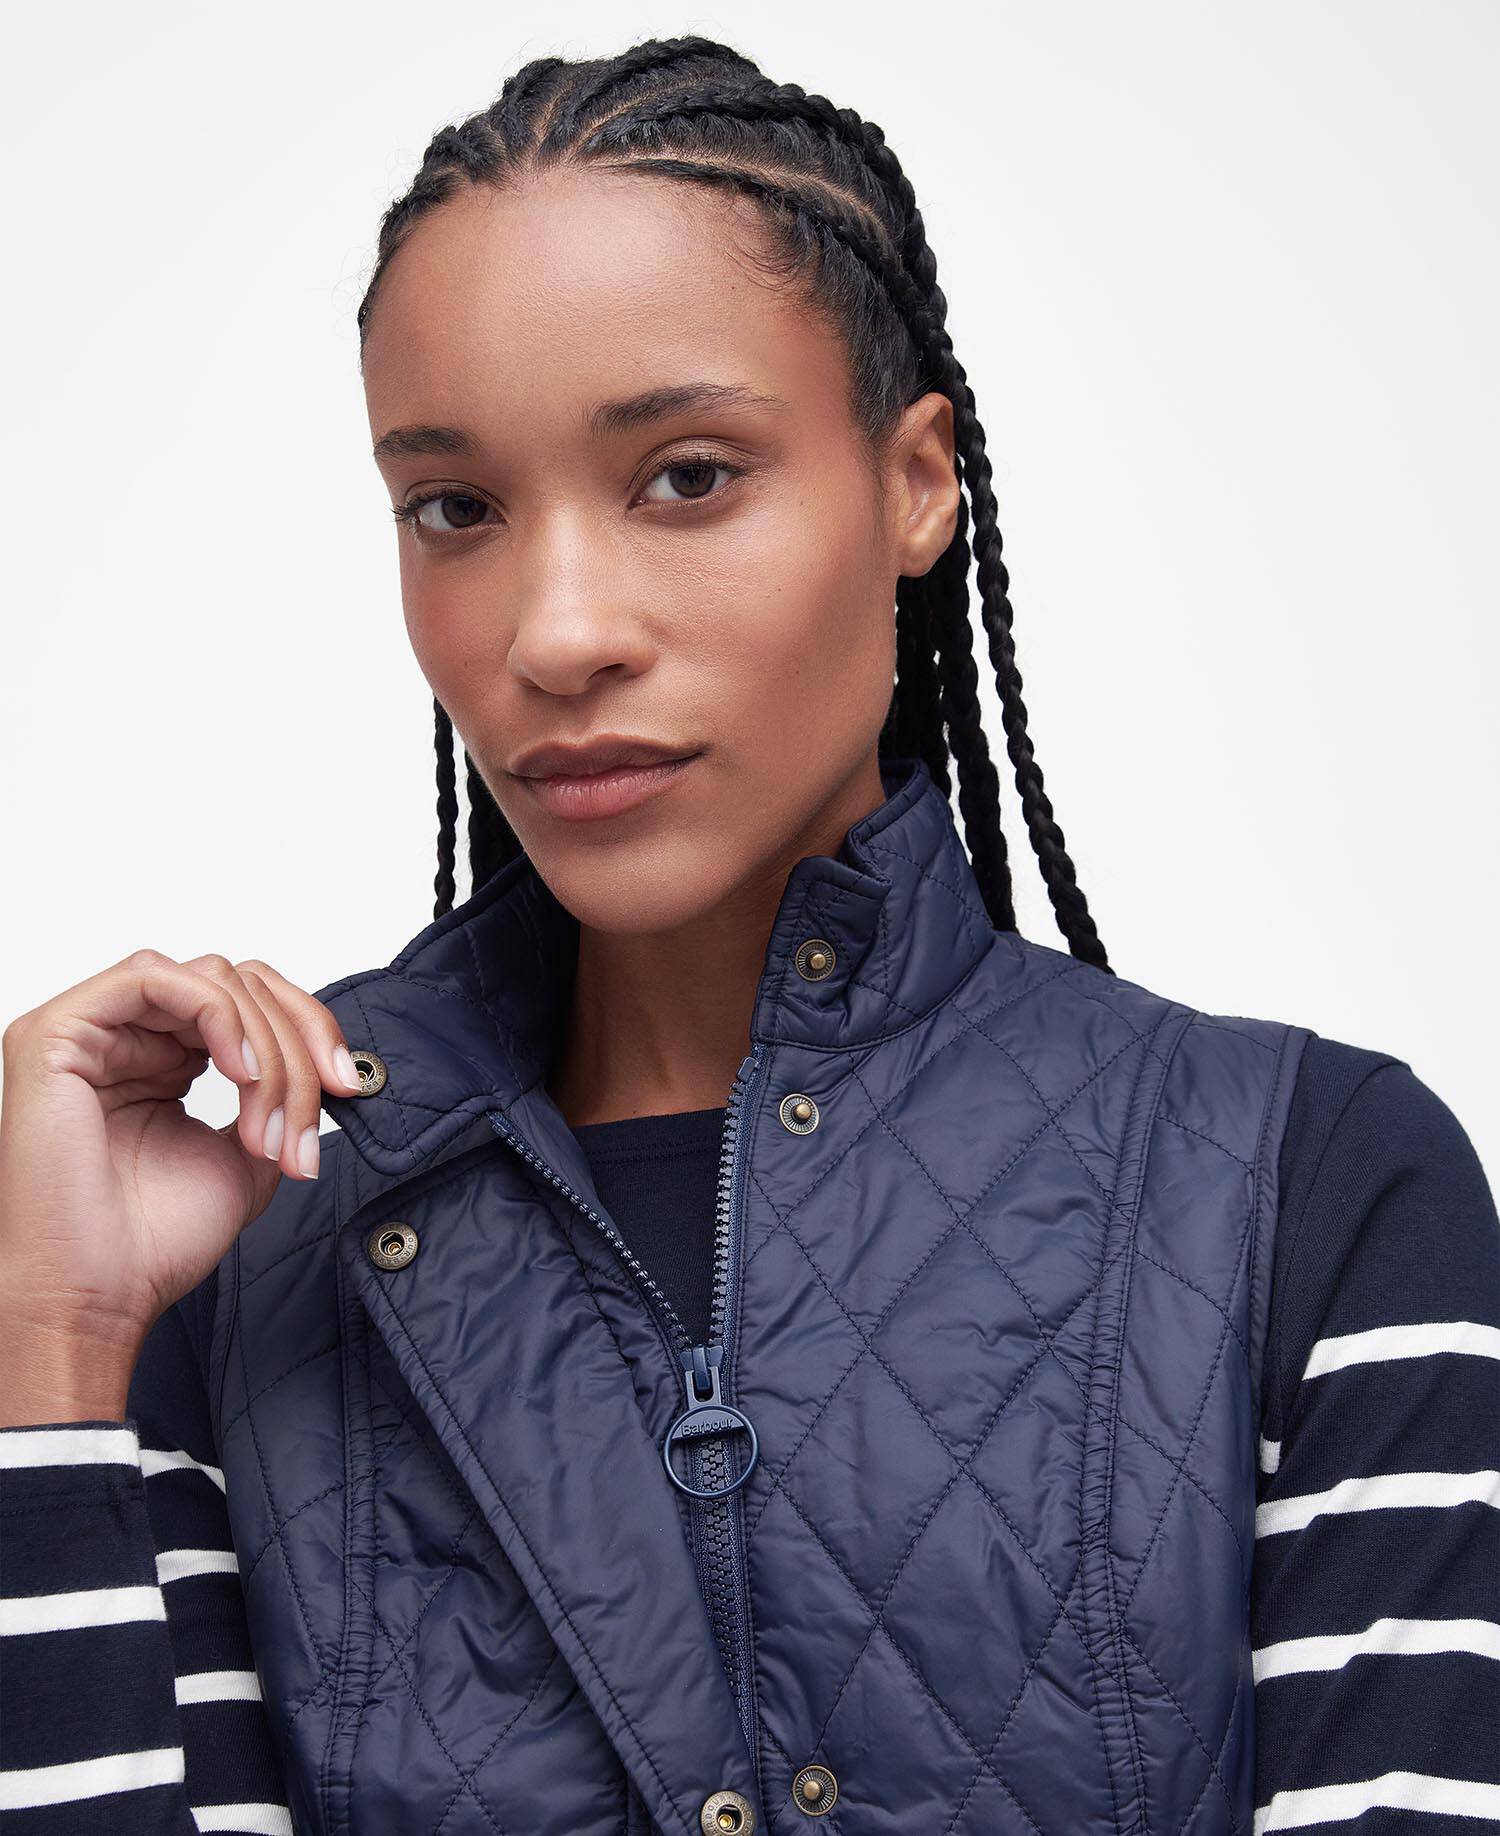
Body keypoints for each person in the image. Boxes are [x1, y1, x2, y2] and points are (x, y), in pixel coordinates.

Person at [0, 33, 1495, 1836]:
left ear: (917, 482)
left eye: (688, 475)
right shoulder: (234, 1240)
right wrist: (53, 1345)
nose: (556, 631)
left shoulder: (1313, 1190)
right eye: (455, 509)